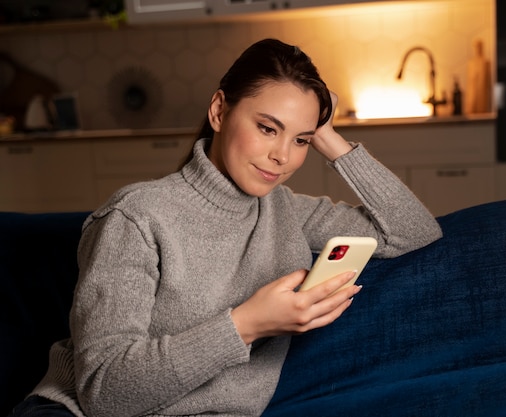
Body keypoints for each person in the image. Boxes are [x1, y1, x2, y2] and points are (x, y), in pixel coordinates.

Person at [8, 38, 442, 417]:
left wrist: (328, 134)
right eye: (267, 128)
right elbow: (104, 395)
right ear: (219, 110)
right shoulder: (136, 217)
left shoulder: (285, 210)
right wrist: (246, 325)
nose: (282, 157)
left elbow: (413, 230)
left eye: (300, 141)